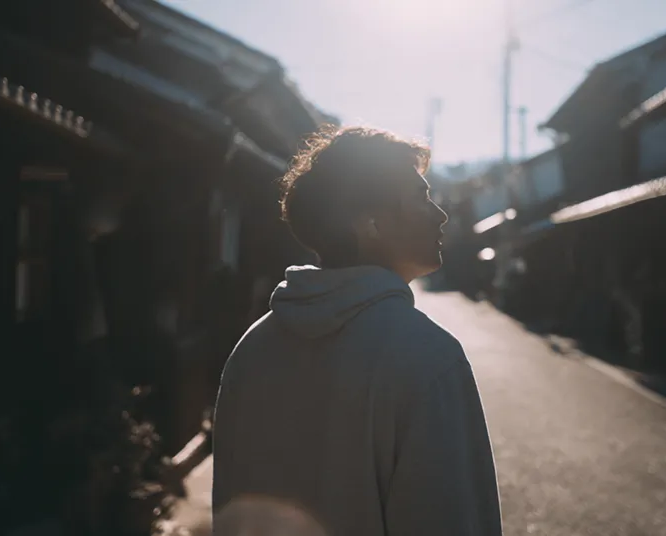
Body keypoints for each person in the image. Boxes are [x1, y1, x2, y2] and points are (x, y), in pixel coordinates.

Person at [212, 126, 502, 536]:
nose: (440, 214)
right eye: (421, 198)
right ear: (370, 223)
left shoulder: (252, 349)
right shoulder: (428, 356)